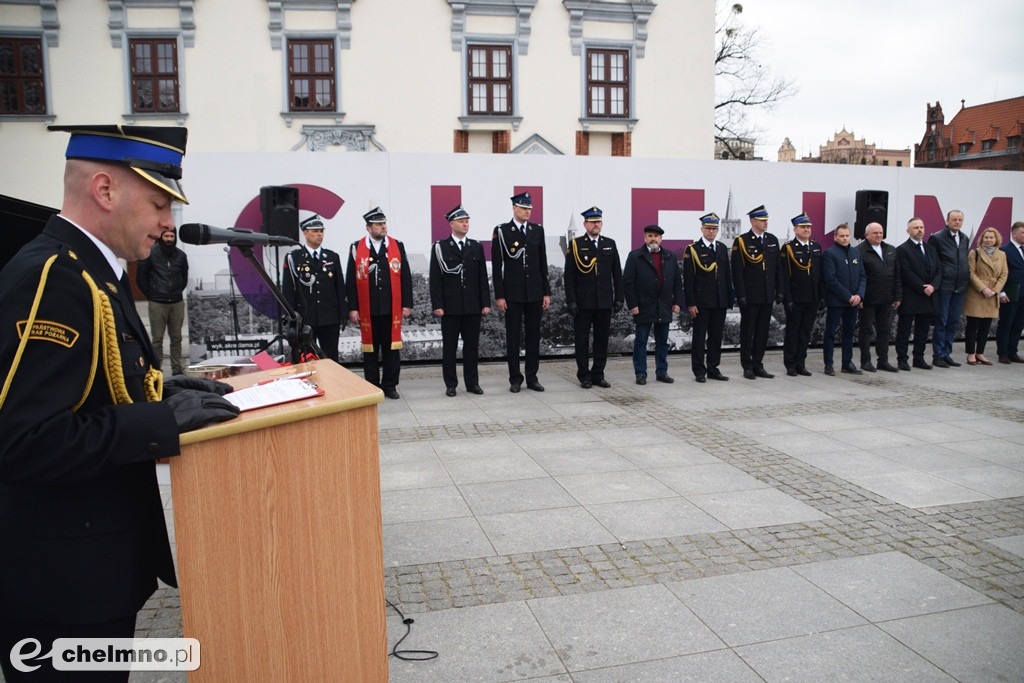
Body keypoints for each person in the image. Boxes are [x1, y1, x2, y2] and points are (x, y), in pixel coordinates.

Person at [0, 125, 238, 682]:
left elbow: (97, 389)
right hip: (61, 593)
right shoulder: (54, 279)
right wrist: (157, 422)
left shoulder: (94, 274)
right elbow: (21, 441)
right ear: (105, 191)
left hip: (95, 573)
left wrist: (165, 393)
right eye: (158, 203)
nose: (168, 223)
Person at [346, 207, 413, 400]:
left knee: (392, 349)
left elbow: (405, 277)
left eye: (384, 223)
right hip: (369, 309)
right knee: (370, 350)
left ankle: (390, 385)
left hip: (391, 308)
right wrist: (353, 307)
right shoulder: (356, 247)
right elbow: (350, 280)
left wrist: (406, 304)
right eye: (378, 224)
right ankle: (372, 384)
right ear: (369, 228)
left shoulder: (396, 246)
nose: (383, 227)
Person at [492, 192, 550, 393]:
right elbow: (498, 265)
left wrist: (546, 292)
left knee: (534, 336)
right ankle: (515, 378)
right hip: (513, 293)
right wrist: (499, 295)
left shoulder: (537, 230)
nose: (528, 212)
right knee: (513, 336)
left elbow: (542, 262)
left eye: (530, 209)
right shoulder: (502, 231)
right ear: (514, 208)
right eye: (524, 208)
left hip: (534, 291)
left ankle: (532, 377)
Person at [430, 205, 490, 396]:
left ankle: (472, 383)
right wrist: (437, 305)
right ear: (452, 223)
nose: (466, 224)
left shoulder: (476, 246)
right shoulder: (440, 247)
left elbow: (482, 277)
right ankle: (451, 384)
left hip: (472, 305)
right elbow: (435, 278)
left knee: (471, 348)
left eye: (467, 221)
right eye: (462, 221)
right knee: (450, 348)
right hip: (450, 306)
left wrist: (485, 302)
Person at [564, 206, 623, 388]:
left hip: (604, 301)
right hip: (583, 302)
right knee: (582, 341)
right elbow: (569, 276)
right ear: (585, 224)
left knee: (601, 340)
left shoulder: (610, 243)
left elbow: (617, 274)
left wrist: (619, 297)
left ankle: (598, 374)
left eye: (598, 221)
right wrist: (571, 300)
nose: (596, 225)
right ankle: (584, 375)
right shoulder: (576, 244)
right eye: (592, 222)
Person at [623, 224, 683, 385]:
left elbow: (677, 282)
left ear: (661, 239)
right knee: (641, 341)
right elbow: (628, 283)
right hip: (643, 306)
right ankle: (641, 373)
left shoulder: (670, 256)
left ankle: (662, 372)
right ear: (645, 238)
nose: (653, 239)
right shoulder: (635, 256)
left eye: (656, 236)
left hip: (664, 305)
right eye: (650, 236)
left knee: (662, 341)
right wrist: (632, 304)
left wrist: (678, 302)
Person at [282, 213, 347, 362]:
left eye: (321, 231)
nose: (319, 234)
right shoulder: (294, 257)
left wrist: (343, 312)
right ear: (305, 233)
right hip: (306, 317)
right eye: (315, 231)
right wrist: (291, 316)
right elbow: (288, 290)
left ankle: (330, 386)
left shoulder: (332, 257)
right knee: (307, 358)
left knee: (330, 358)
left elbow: (339, 287)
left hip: (329, 316)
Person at [732, 204, 783, 380]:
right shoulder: (742, 241)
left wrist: (779, 290)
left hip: (767, 294)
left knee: (763, 332)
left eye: (766, 220)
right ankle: (747, 365)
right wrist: (741, 295)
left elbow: (777, 268)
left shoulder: (772, 240)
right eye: (762, 220)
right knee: (748, 331)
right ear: (753, 221)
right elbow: (737, 271)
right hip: (750, 295)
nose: (765, 223)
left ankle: (758, 363)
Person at [683, 212, 731, 382]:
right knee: (699, 337)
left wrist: (728, 300)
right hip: (701, 302)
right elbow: (688, 280)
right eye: (708, 228)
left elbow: (726, 277)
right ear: (702, 229)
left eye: (714, 228)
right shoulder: (693, 250)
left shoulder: (722, 248)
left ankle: (713, 368)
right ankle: (699, 371)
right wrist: (690, 303)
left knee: (716, 336)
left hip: (719, 301)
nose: (711, 232)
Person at [136, 225, 189, 375]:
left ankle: (177, 369)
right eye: (166, 236)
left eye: (172, 237)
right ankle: (156, 370)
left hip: (177, 303)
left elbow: (183, 278)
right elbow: (141, 278)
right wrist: (152, 295)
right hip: (157, 303)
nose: (169, 240)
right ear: (161, 237)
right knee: (157, 339)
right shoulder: (150, 253)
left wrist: (177, 291)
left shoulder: (181, 256)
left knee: (176, 338)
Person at [895, 217, 942, 371]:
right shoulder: (902, 249)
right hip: (911, 296)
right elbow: (906, 273)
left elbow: (939, 270)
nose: (920, 230)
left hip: (929, 296)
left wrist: (933, 286)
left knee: (922, 331)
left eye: (921, 227)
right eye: (916, 228)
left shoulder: (930, 249)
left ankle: (919, 358)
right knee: (904, 331)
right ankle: (902, 359)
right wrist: (923, 287)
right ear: (908, 231)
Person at [780, 212, 823, 377]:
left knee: (805, 332)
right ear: (795, 229)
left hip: (812, 297)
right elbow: (784, 275)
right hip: (795, 298)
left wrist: (821, 296)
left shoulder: (815, 246)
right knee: (793, 332)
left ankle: (801, 363)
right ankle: (790, 364)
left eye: (808, 227)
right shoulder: (789, 248)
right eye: (803, 227)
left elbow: (819, 274)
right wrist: (787, 298)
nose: (806, 230)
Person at [856, 222, 901, 372]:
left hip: (886, 298)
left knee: (884, 330)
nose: (878, 235)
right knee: (866, 330)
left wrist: (897, 295)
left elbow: (897, 275)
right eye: (875, 233)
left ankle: (883, 360)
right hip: (868, 298)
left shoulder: (890, 250)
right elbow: (858, 277)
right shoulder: (860, 251)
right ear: (867, 235)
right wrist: (860, 297)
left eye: (880, 232)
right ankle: (865, 361)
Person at [822, 223, 866, 375]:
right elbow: (831, 279)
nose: (845, 238)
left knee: (849, 332)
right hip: (837, 301)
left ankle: (847, 363)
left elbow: (862, 276)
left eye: (847, 235)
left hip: (854, 302)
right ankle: (828, 364)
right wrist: (848, 296)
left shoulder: (855, 253)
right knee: (830, 332)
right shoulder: (830, 253)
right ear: (835, 237)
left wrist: (859, 296)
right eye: (841, 236)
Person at [928, 209, 969, 368]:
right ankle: (938, 355)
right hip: (944, 287)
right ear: (947, 221)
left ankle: (947, 353)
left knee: (953, 321)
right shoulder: (937, 238)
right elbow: (933, 263)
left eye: (960, 220)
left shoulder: (964, 238)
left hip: (960, 287)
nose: (957, 222)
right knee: (942, 321)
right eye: (954, 220)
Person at [963, 227, 1008, 365]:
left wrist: (995, 290)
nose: (988, 240)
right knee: (973, 325)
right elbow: (971, 273)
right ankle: (971, 353)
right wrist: (983, 289)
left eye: (991, 237)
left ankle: (980, 353)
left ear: (996, 239)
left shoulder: (1002, 255)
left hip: (992, 294)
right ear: (982, 239)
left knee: (985, 326)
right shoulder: (975, 253)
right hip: (977, 294)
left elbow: (1004, 274)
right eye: (986, 237)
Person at [996, 221, 1024, 364]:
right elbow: (1000, 273)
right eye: (1023, 232)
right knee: (1006, 324)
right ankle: (1003, 353)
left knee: (1018, 324)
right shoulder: (1005, 250)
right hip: (1010, 293)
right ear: (1014, 234)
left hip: (1023, 294)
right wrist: (1001, 292)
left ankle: (1013, 351)